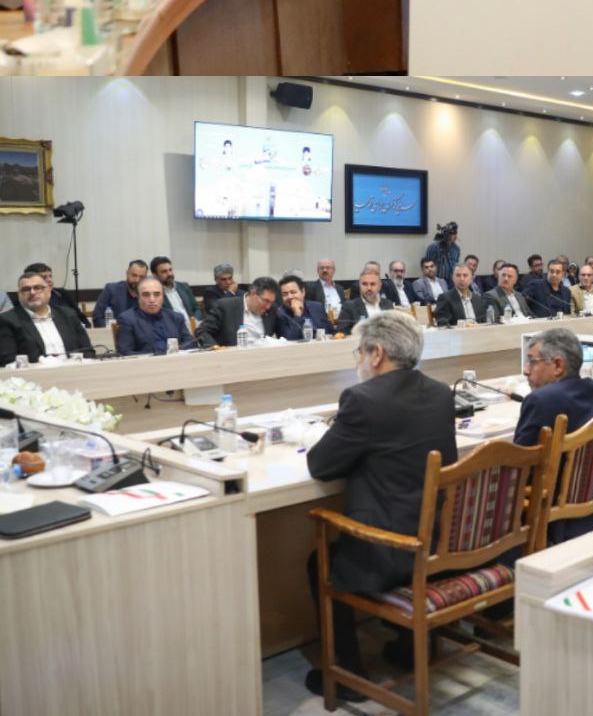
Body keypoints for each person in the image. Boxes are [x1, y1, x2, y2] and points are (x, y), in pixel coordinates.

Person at [304, 313, 456, 695]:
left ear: (376, 353)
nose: (358, 360)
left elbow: (321, 466)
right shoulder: (441, 393)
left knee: (319, 559)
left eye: (359, 352)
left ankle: (348, 676)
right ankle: (408, 646)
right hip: (439, 541)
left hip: (391, 552)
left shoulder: (362, 400)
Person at [515, 328, 593, 537]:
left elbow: (518, 468)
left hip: (551, 517)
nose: (526, 370)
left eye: (532, 361)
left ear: (558, 366)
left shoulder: (540, 400)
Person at [0, 269, 92, 365]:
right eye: (26, 289)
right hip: (35, 374)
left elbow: (88, 351)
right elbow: (6, 360)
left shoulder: (68, 314)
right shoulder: (6, 320)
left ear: (48, 290)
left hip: (73, 371)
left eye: (37, 288)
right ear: (19, 295)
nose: (32, 292)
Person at [117, 276, 196, 355]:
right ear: (138, 296)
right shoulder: (127, 319)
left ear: (163, 296)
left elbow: (190, 344)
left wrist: (177, 351)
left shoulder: (176, 317)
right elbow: (125, 352)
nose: (152, 300)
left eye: (157, 294)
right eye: (146, 295)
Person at [197, 276, 288, 346]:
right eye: (266, 301)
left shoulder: (272, 310)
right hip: (232, 359)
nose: (268, 306)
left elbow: (287, 337)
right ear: (253, 293)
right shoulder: (225, 307)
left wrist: (295, 313)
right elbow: (202, 331)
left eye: (271, 302)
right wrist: (216, 349)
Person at [92, 259, 148, 326]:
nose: (137, 280)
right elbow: (97, 318)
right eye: (134, 275)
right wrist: (114, 328)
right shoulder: (111, 289)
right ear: (127, 273)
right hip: (115, 331)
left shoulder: (148, 295)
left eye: (141, 277)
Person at [149, 255, 199, 323]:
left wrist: (195, 321)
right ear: (155, 275)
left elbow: (196, 308)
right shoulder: (154, 294)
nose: (169, 274)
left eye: (170, 270)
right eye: (164, 272)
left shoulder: (184, 286)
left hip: (192, 325)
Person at [423, 222, 462, 287]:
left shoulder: (456, 249)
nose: (455, 236)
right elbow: (427, 264)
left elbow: (456, 264)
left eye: (455, 234)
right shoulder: (433, 247)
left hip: (451, 281)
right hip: (436, 280)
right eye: (452, 234)